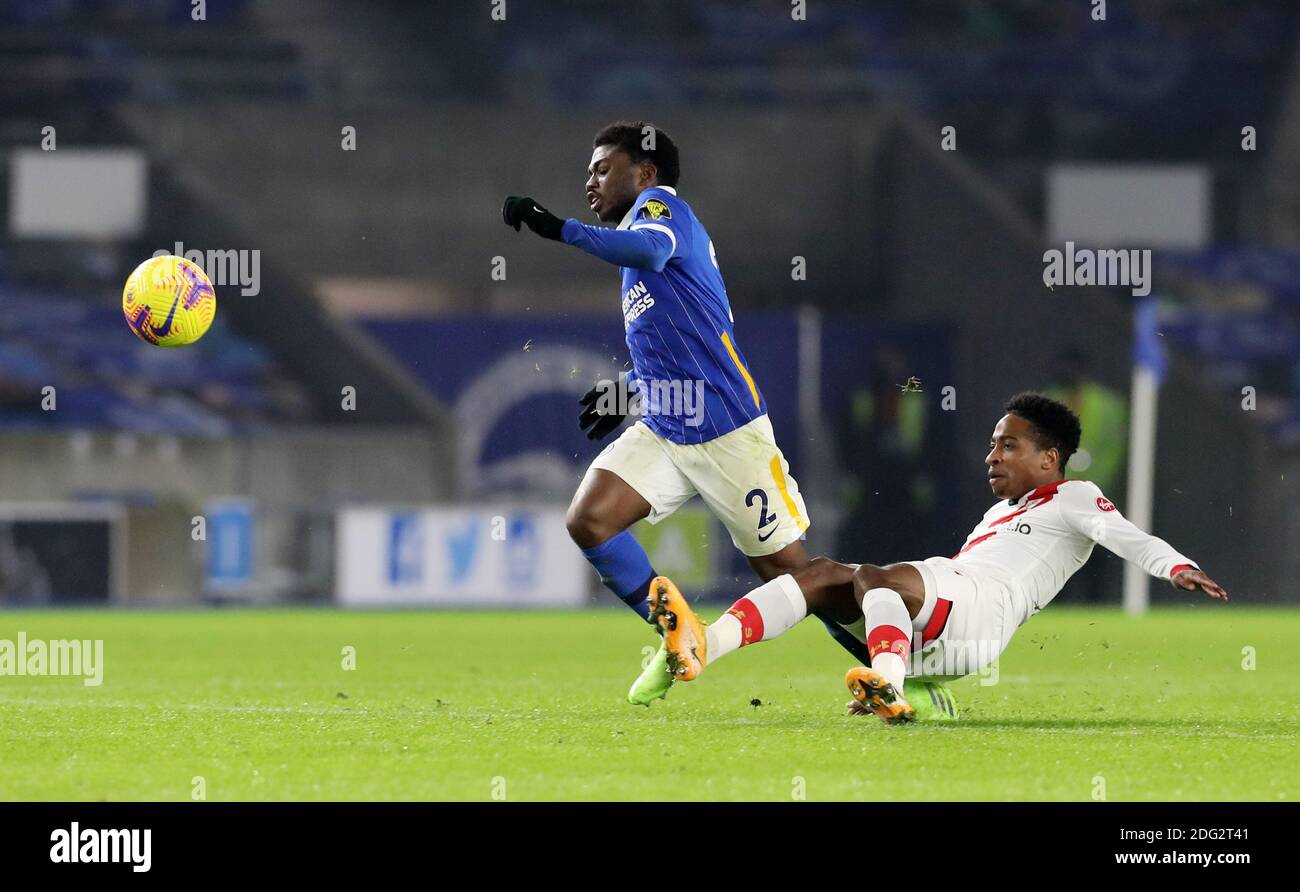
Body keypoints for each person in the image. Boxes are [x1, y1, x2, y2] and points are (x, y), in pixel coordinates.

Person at [502, 121, 867, 702]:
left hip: (726, 425)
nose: (590, 181)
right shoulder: (637, 242)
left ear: (644, 172)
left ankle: (895, 658)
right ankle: (681, 631)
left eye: (602, 168)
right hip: (668, 423)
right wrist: (627, 388)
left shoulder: (663, 211)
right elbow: (674, 337)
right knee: (590, 520)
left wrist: (556, 227)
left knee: (791, 575)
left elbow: (650, 249)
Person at [637, 392, 1228, 723]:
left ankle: (890, 683)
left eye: (1009, 446)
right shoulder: (1001, 514)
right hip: (952, 628)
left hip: (980, 609)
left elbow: (1123, 534)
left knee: (874, 579)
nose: (992, 456)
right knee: (818, 576)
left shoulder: (1072, 496)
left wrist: (1174, 566)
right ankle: (701, 645)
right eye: (992, 444)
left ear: (1050, 458)